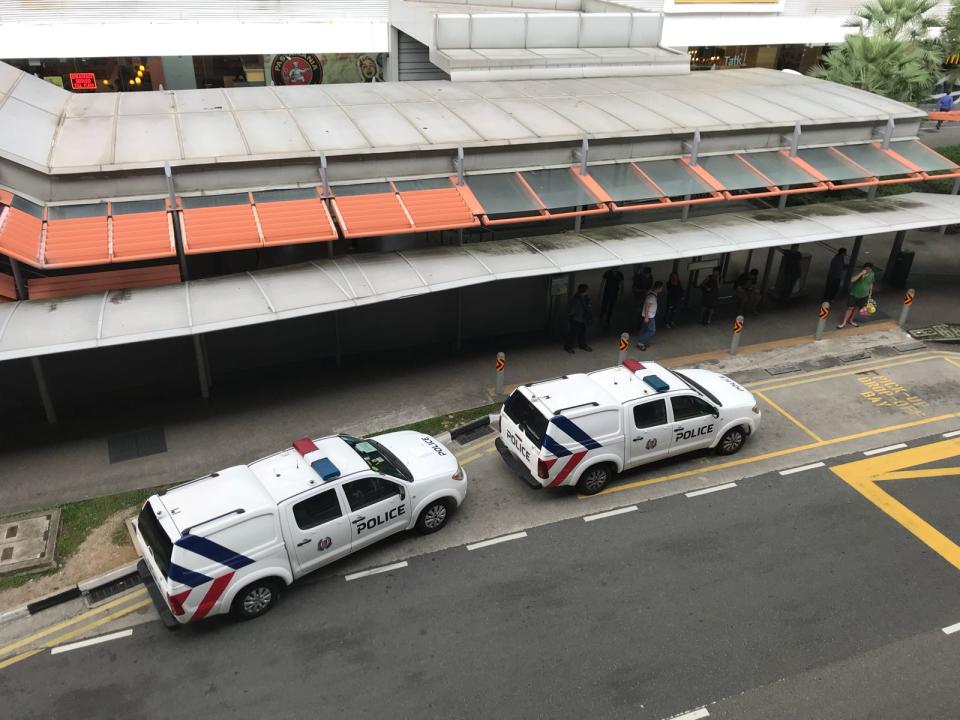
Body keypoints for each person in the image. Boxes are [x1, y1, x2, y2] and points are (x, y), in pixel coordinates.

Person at [837, 262, 875, 329]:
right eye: (867, 269)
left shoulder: (872, 274)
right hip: (854, 294)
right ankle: (844, 322)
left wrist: (870, 293)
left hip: (864, 295)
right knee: (850, 308)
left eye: (870, 269)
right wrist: (861, 274)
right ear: (864, 268)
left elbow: (871, 283)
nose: (868, 270)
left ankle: (851, 320)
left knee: (857, 308)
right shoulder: (858, 272)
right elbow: (852, 280)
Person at [564, 283, 593, 353]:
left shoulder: (586, 297)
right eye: (585, 290)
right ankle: (568, 347)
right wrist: (570, 315)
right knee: (573, 334)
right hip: (576, 319)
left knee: (582, 333)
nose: (586, 291)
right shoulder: (576, 299)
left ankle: (582, 345)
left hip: (582, 318)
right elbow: (572, 310)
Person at [636, 281, 663, 351]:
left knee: (644, 329)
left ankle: (641, 342)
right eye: (661, 288)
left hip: (648, 315)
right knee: (652, 330)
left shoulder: (652, 294)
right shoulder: (651, 296)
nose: (662, 289)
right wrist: (646, 317)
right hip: (649, 316)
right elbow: (647, 306)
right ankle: (640, 342)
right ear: (659, 288)